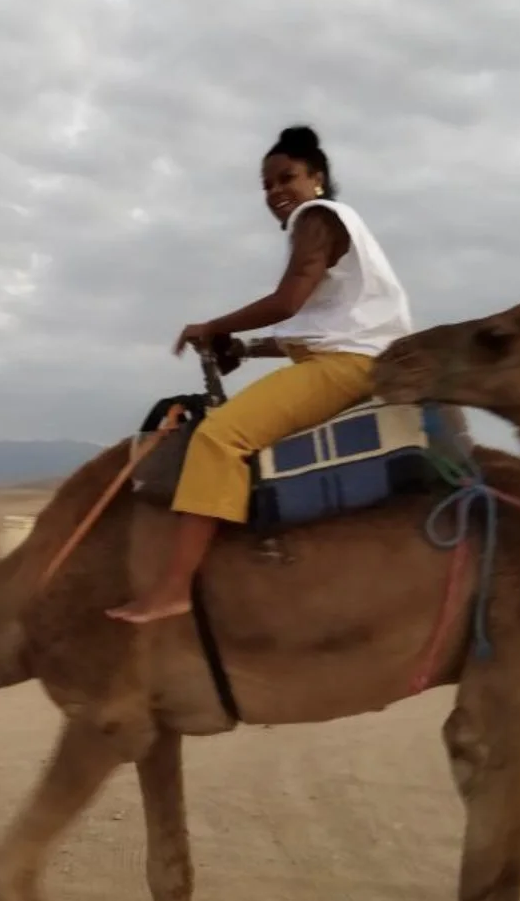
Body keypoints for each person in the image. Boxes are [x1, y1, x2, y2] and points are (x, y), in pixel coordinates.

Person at [107, 124, 413, 625]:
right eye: (267, 186)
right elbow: (319, 325)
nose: (275, 193)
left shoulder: (317, 217)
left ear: (317, 177)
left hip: (347, 367)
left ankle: (174, 589)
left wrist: (213, 326)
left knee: (218, 439)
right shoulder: (344, 226)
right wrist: (244, 348)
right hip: (349, 360)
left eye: (285, 178)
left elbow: (287, 302)